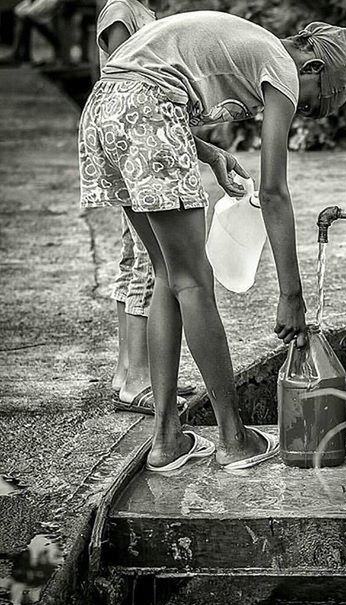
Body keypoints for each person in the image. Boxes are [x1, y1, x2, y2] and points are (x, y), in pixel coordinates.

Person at [78, 11, 346, 472]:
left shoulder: (250, 47)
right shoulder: (282, 66)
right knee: (194, 282)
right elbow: (273, 192)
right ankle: (234, 440)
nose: (302, 113)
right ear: (311, 68)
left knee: (168, 277)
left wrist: (210, 154)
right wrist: (291, 296)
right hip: (145, 112)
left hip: (102, 114)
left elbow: (136, 79)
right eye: (312, 106)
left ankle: (167, 439)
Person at [94, 0, 196, 416]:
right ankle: (138, 377)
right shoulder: (120, 10)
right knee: (147, 266)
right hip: (135, 144)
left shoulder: (144, 13)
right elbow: (120, 78)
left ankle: (128, 371)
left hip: (134, 145)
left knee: (132, 257)